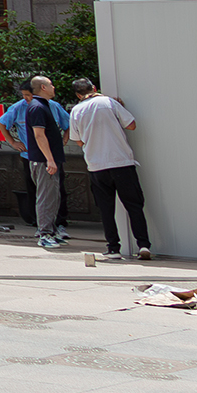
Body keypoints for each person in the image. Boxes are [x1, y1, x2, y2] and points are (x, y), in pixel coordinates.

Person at [68, 77, 151, 260]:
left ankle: (113, 248)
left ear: (78, 95)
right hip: (121, 162)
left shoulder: (76, 111)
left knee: (106, 209)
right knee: (134, 206)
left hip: (96, 166)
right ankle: (143, 245)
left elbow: (79, 140)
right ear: (94, 88)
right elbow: (131, 125)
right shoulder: (109, 102)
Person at [2, 76, 71, 249]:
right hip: (42, 160)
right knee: (45, 196)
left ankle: (52, 231)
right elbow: (39, 135)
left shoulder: (46, 105)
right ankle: (45, 234)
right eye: (51, 84)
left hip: (48, 159)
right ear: (43, 87)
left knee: (53, 195)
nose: (54, 87)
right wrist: (49, 159)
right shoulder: (37, 107)